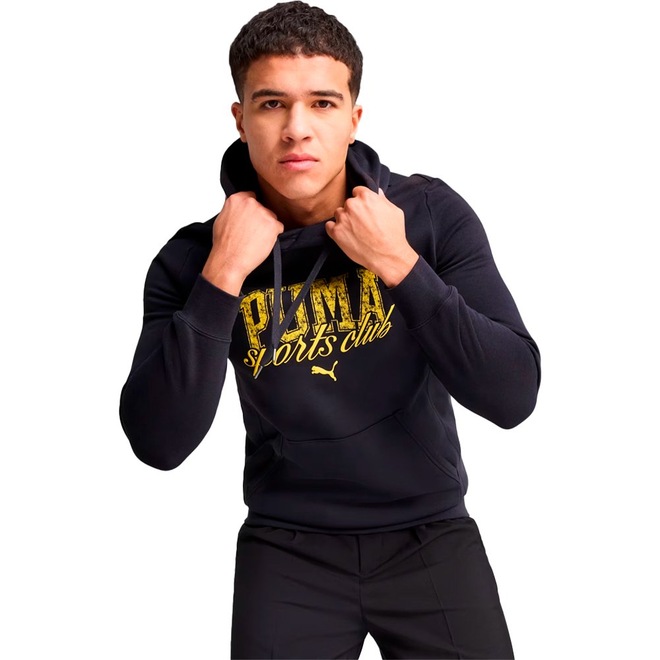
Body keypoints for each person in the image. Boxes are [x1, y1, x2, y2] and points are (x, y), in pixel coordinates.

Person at [119, 2, 541, 657]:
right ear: (240, 118)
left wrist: (399, 264)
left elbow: (512, 395)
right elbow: (158, 442)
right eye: (271, 104)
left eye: (322, 103)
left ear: (354, 118)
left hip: (430, 534)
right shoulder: (193, 259)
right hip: (287, 548)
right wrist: (223, 275)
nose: (297, 130)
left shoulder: (427, 217)